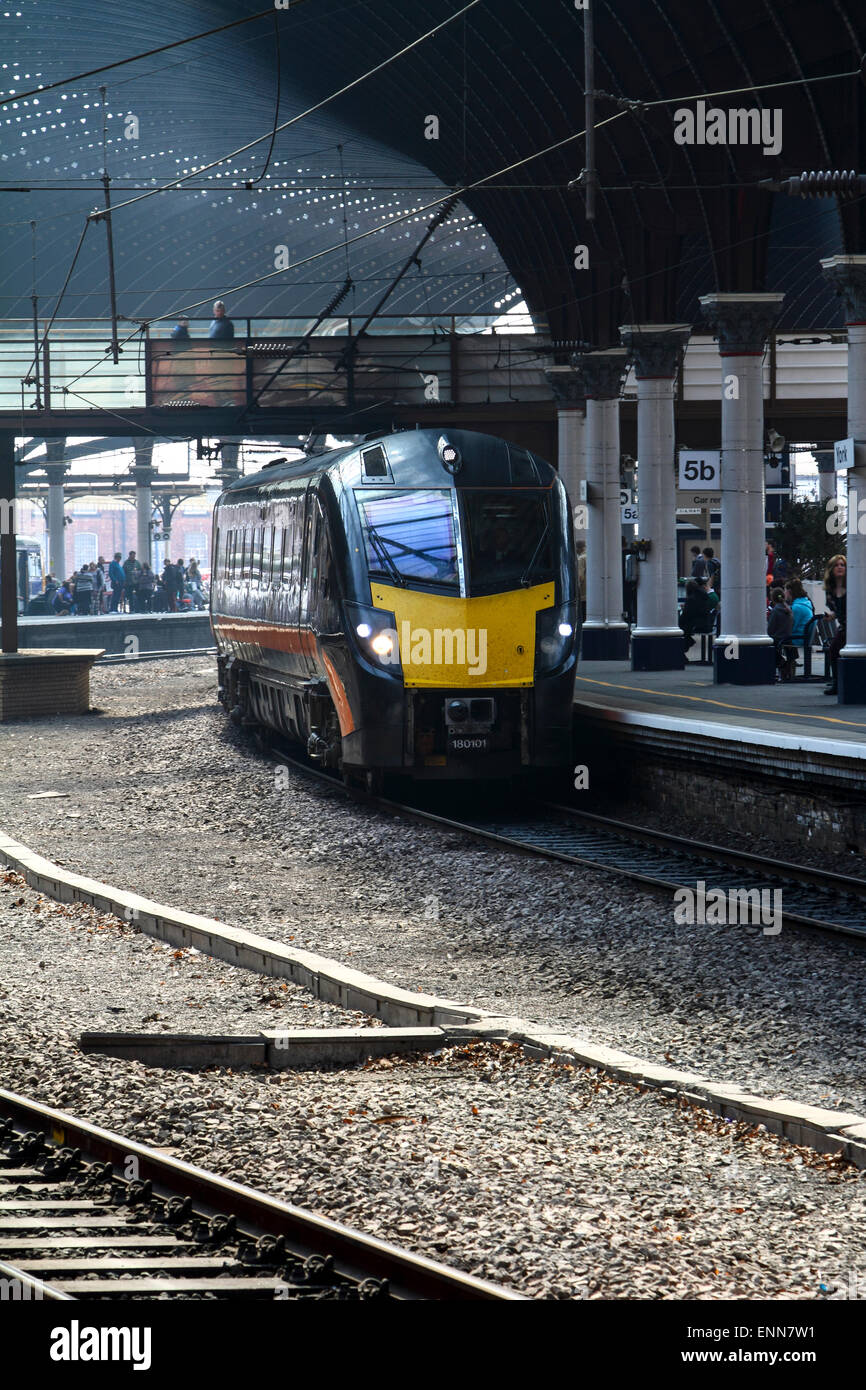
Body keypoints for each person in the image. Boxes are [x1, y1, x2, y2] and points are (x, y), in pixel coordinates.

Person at [823, 553, 847, 695]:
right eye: (836, 565)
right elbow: (839, 610)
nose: (839, 567)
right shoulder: (830, 591)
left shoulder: (853, 586)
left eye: (842, 565)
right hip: (844, 627)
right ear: (831, 569)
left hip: (856, 627)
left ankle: (838, 683)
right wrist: (832, 616)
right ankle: (837, 683)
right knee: (834, 650)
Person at [679, 578, 714, 651]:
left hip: (698, 625)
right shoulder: (703, 595)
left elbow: (686, 615)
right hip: (706, 623)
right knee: (684, 629)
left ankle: (684, 649)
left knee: (680, 629)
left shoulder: (692, 598)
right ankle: (687, 644)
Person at [767, 587, 794, 680]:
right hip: (787, 637)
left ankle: (781, 663)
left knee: (765, 645)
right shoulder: (788, 609)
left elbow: (770, 630)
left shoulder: (775, 611)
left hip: (778, 638)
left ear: (773, 599)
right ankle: (782, 665)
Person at [784, 577, 814, 658]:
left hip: (797, 638)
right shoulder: (805, 603)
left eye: (785, 590)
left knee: (774, 639)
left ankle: (783, 664)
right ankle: (789, 663)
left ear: (789, 591)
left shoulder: (797, 607)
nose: (784, 593)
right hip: (802, 637)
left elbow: (791, 628)